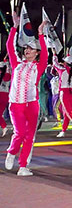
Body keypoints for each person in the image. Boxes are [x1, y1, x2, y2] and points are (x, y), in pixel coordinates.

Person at [4, 25, 48, 176]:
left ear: (37, 53)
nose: (27, 51)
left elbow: (46, 54)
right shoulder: (16, 63)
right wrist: (14, 28)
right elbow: (9, 46)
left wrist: (41, 34)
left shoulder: (39, 66)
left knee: (30, 135)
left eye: (31, 49)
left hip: (32, 104)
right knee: (20, 132)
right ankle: (12, 152)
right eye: (26, 48)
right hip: (16, 104)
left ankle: (23, 166)